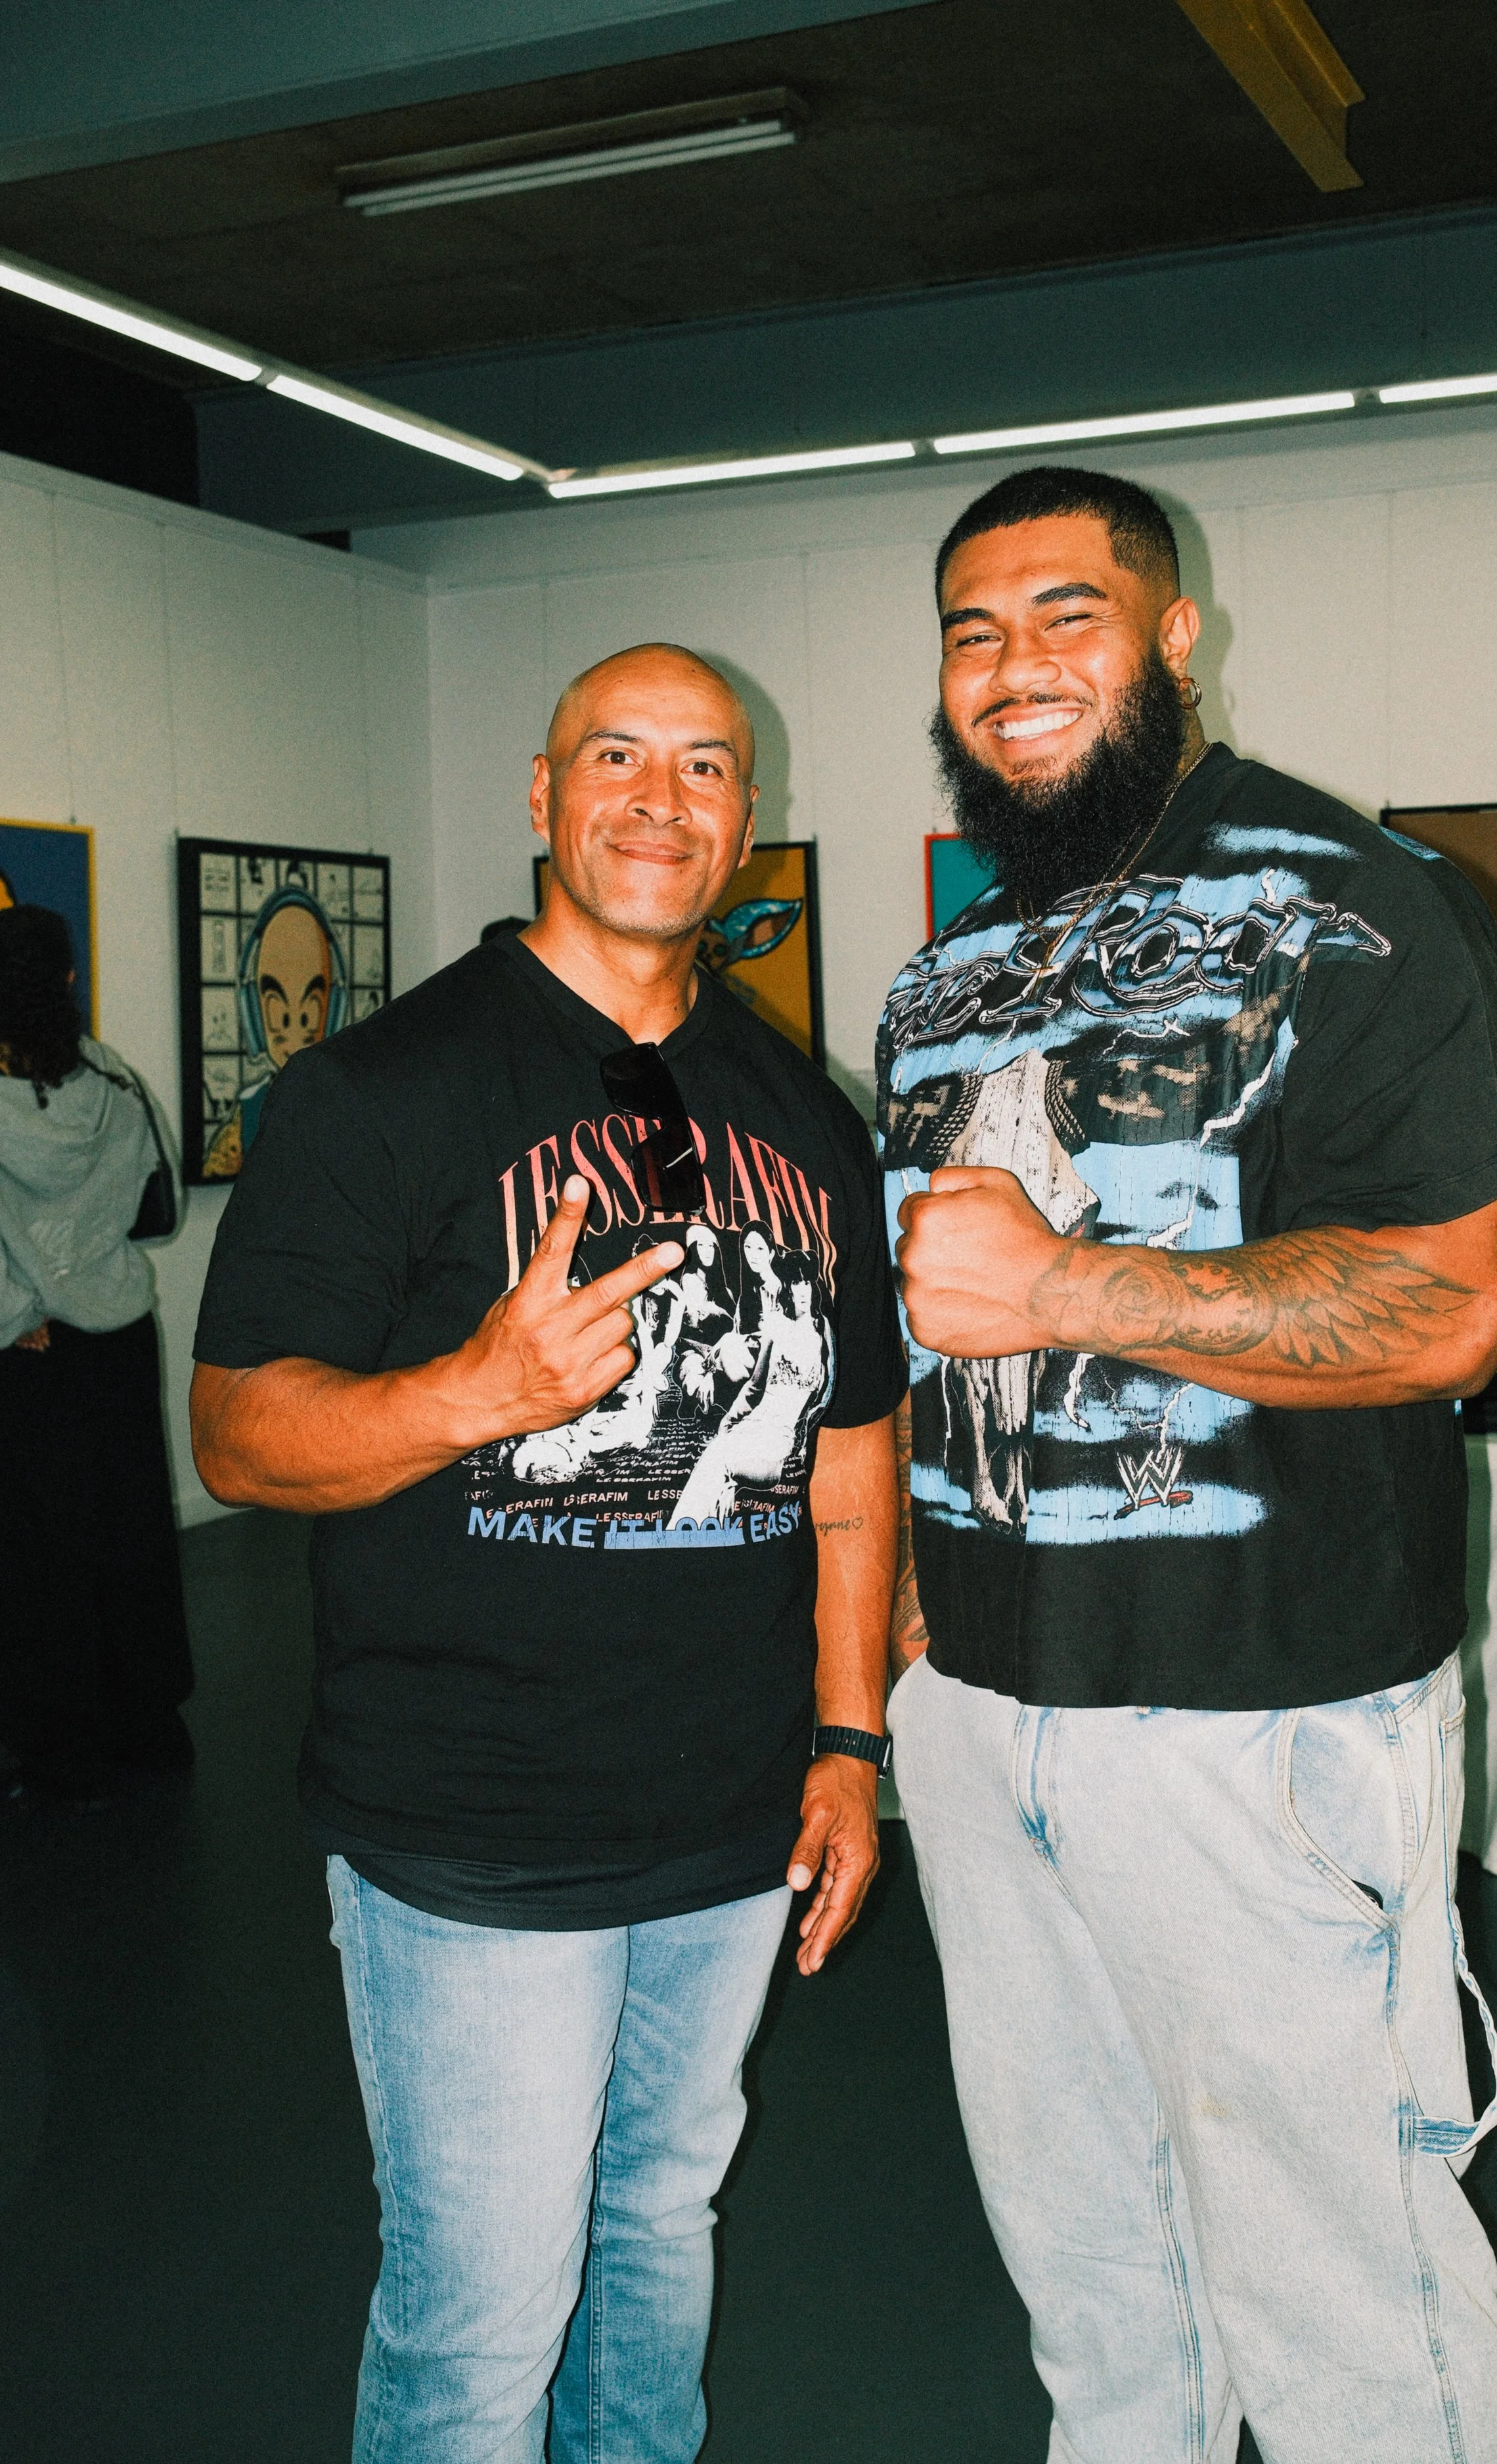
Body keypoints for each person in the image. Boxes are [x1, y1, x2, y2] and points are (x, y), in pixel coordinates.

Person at [878, 467, 1497, 2464]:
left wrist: (1070, 1282)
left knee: (1341, 2295)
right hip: (986, 1715)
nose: (1011, 667)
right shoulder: (941, 976)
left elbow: (1439, 1308)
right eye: (971, 630)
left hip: (1258, 1718)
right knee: (1090, 2280)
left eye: (1064, 614)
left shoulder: (1350, 899)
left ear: (1175, 636)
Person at [190, 643, 904, 2464]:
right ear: (539, 794)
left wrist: (846, 1743)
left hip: (733, 1819)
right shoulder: (379, 1089)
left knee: (662, 2231)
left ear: (747, 821)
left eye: (704, 768)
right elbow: (240, 1433)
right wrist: (468, 1389)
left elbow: (847, 1448)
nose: (659, 798)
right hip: (475, 1828)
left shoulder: (805, 1113)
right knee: (479, 2320)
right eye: (617, 756)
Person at [0, 904, 194, 1807]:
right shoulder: (113, 1077)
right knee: (132, 1529)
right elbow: (164, 1201)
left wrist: (18, 1310)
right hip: (117, 1334)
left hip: (28, 1350)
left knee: (42, 1555)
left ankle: (62, 1754)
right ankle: (150, 1728)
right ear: (68, 982)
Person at [202, 883, 348, 1178]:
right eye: (278, 1013)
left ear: (331, 1014)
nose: (294, 1034)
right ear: (255, 1015)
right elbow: (216, 1169)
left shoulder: (348, 1106)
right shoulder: (250, 1109)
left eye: (308, 1013)